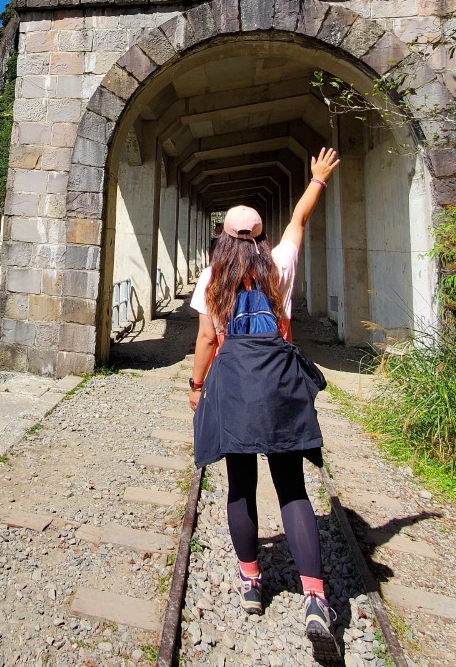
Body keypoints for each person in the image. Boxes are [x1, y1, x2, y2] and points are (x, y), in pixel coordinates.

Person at [187, 147, 341, 661]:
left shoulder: (213, 280)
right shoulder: (278, 267)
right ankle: (316, 597)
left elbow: (208, 339)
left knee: (240, 484)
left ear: (223, 238)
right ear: (259, 237)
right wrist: (316, 180)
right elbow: (298, 219)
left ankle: (252, 583)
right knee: (292, 486)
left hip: (233, 384)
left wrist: (195, 386)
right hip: (278, 382)